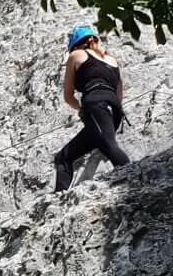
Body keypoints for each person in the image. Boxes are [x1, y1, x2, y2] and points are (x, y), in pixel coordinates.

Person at [53, 26, 130, 192]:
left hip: (95, 104)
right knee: (63, 157)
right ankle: (58, 197)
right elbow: (119, 94)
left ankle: (134, 177)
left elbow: (68, 96)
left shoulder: (76, 55)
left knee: (108, 145)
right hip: (114, 112)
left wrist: (81, 110)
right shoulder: (113, 61)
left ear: (76, 45)